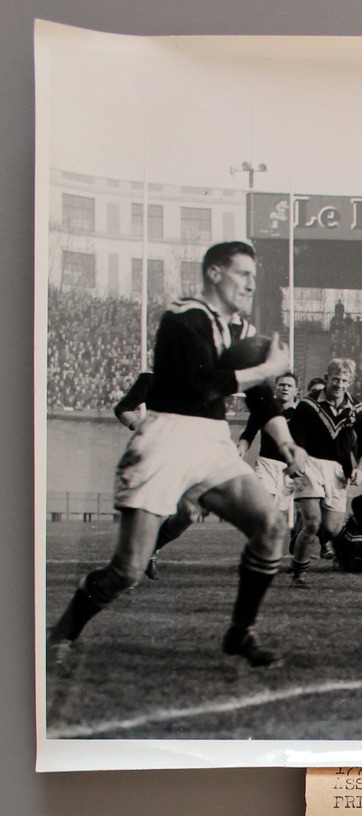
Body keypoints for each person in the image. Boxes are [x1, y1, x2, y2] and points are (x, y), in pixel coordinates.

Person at [48, 239, 305, 669]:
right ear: (215, 273)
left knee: (271, 524)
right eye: (243, 273)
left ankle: (240, 632)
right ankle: (64, 631)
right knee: (127, 571)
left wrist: (287, 443)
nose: (250, 284)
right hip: (165, 439)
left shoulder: (240, 329)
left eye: (254, 277)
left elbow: (262, 399)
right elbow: (201, 384)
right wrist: (264, 368)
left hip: (211, 440)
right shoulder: (182, 318)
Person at [287, 358, 362, 586]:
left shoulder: (357, 408)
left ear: (350, 381)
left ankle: (342, 554)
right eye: (335, 379)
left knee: (331, 528)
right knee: (312, 522)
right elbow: (296, 439)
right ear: (326, 378)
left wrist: (360, 468)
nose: (339, 384)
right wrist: (296, 462)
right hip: (310, 464)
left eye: (344, 380)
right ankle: (299, 572)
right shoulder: (308, 405)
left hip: (339, 471)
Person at [114, 371, 197, 580]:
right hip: (155, 455)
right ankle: (127, 571)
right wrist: (137, 425)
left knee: (189, 514)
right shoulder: (151, 378)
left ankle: (151, 548)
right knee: (148, 513)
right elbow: (122, 408)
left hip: (185, 456)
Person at [237, 372, 299, 516]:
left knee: (279, 514)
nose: (285, 388)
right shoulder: (264, 410)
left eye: (289, 386)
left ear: (296, 390)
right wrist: (241, 447)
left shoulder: (301, 413)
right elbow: (248, 434)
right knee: (264, 508)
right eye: (282, 385)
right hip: (266, 464)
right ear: (275, 388)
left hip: (289, 468)